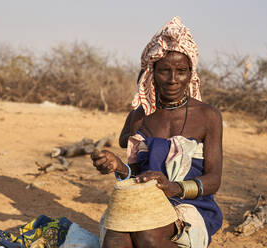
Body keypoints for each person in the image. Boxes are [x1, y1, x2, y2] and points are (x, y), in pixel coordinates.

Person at [91, 16, 223, 248]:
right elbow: (135, 175)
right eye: (164, 71)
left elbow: (213, 180)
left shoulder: (207, 116)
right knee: (115, 241)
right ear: (152, 73)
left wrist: (173, 187)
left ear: (191, 73)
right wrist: (118, 166)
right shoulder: (140, 116)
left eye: (181, 71)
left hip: (189, 204)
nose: (173, 80)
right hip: (141, 200)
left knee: (148, 235)